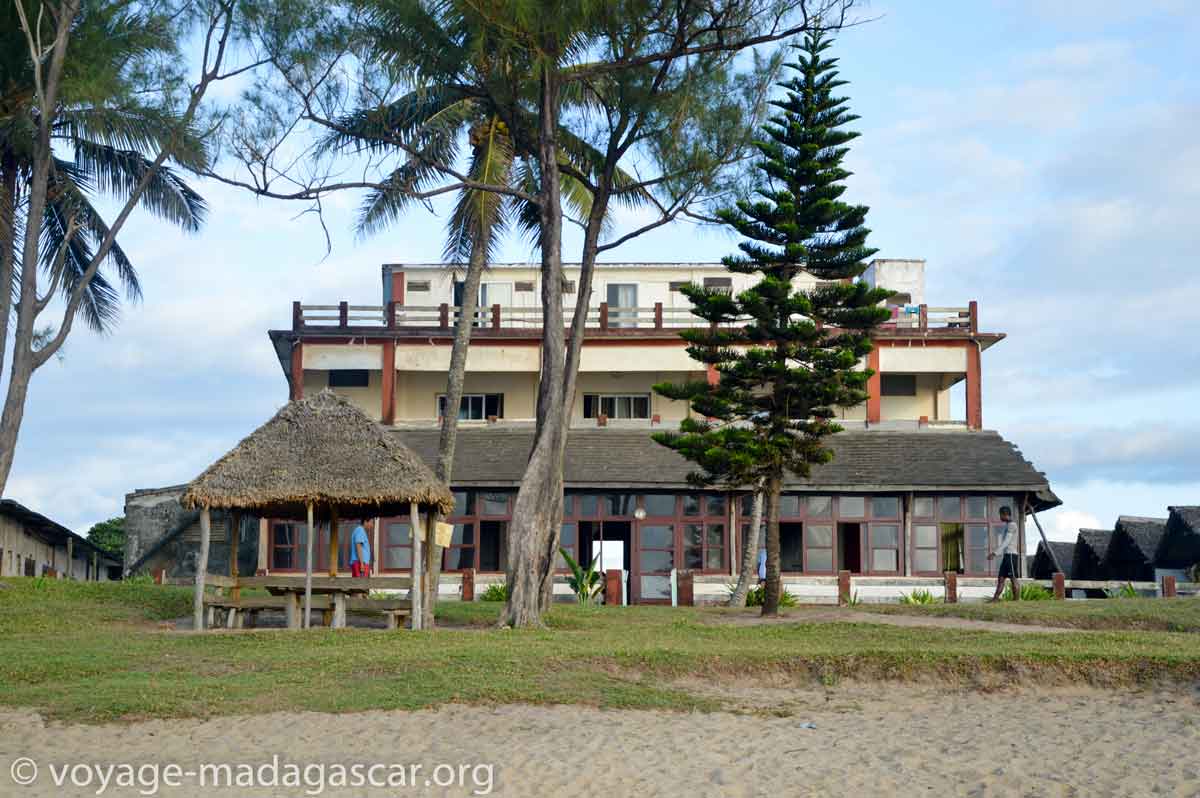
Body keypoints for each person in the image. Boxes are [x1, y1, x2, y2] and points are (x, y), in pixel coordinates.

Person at [988, 506, 1020, 601]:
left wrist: (994, 553)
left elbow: (1007, 541)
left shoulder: (1012, 525)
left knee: (1013, 578)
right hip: (1006, 555)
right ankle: (995, 599)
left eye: (1000, 515)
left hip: (1011, 555)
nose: (1000, 517)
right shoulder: (1007, 525)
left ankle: (1016, 600)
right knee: (1001, 578)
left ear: (1004, 514)